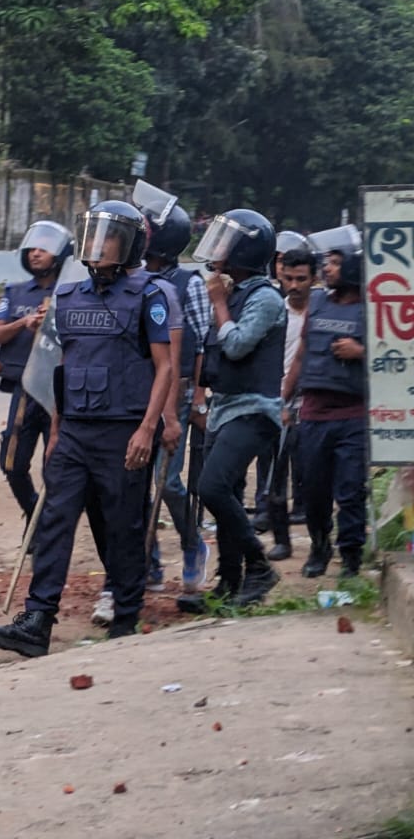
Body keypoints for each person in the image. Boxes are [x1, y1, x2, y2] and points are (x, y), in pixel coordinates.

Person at [0, 201, 175, 656]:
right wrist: (58, 432)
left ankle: (125, 619)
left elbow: (165, 368)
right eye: (93, 234)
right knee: (54, 522)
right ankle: (36, 621)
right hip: (75, 433)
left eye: (107, 236)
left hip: (123, 431)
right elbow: (64, 368)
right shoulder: (69, 298)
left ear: (128, 245)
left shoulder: (150, 295)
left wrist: (148, 428)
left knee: (123, 526)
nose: (97, 245)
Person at [176, 209, 285, 611]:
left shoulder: (265, 298)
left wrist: (219, 304)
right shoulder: (234, 292)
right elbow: (212, 349)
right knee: (228, 494)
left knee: (212, 486)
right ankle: (229, 582)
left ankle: (259, 567)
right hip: (224, 408)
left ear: (243, 251)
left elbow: (237, 344)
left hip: (255, 410)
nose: (218, 250)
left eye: (226, 243)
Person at [282, 226, 368, 580]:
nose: (327, 269)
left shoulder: (373, 309)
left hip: (353, 414)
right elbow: (301, 355)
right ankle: (320, 546)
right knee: (313, 490)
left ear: (352, 268)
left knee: (349, 491)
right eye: (327, 263)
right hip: (313, 413)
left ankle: (350, 555)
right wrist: (284, 399)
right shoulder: (316, 302)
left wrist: (360, 351)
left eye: (334, 263)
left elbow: (398, 354)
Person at [138, 203, 210, 594]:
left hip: (175, 393)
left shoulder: (189, 284)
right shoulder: (131, 278)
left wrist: (197, 397)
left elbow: (201, 346)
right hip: (135, 393)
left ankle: (193, 544)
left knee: (166, 481)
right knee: (134, 483)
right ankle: (148, 564)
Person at [0, 221, 73, 524]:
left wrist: (50, 325)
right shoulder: (15, 292)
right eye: (33, 249)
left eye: (44, 250)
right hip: (24, 389)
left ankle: (47, 528)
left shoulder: (71, 293)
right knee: (11, 463)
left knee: (56, 466)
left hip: (57, 392)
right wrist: (23, 324)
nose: (36, 254)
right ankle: (34, 514)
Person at [267, 245, 317, 560]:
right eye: (289, 278)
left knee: (312, 474)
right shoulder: (274, 311)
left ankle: (318, 540)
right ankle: (281, 540)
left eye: (301, 278)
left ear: (314, 278)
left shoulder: (322, 311)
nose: (294, 285)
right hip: (276, 401)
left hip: (312, 403)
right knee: (274, 475)